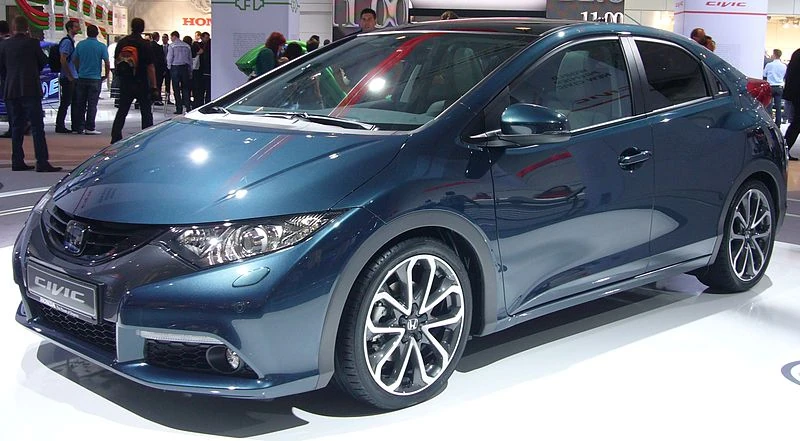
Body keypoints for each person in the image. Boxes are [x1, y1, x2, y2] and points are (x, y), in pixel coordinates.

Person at [0, 16, 62, 172]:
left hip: (11, 90)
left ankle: (17, 160)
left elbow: (2, 69)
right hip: (30, 89)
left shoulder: (4, 45)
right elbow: (43, 62)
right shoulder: (33, 43)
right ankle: (41, 161)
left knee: (16, 127)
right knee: (36, 127)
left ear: (13, 28)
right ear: (27, 28)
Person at [110, 17, 157, 144]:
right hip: (141, 81)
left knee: (122, 110)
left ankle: (115, 136)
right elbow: (150, 66)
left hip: (126, 81)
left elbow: (117, 61)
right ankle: (146, 137)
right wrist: (154, 86)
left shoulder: (122, 42)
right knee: (146, 111)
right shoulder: (144, 44)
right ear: (142, 28)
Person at [71, 24, 109, 135]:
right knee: (92, 104)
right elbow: (107, 62)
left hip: (82, 77)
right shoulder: (101, 46)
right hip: (95, 78)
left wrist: (78, 70)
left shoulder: (80, 45)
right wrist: (106, 75)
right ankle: (90, 127)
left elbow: (74, 59)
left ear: (87, 33)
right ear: (97, 33)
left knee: (80, 104)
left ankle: (79, 127)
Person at [55, 20, 78, 133]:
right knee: (66, 102)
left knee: (70, 101)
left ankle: (71, 125)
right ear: (70, 28)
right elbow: (63, 59)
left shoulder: (71, 41)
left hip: (71, 75)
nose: (78, 28)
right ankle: (60, 125)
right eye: (75, 27)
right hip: (68, 77)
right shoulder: (67, 42)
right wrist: (69, 75)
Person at [781, 47, 800, 160]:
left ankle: (783, 150)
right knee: (796, 124)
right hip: (797, 94)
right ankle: (783, 151)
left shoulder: (797, 54)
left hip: (794, 95)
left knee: (796, 124)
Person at [166, 31, 192, 114]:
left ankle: (179, 108)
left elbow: (169, 58)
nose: (171, 39)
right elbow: (190, 59)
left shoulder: (172, 46)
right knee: (186, 88)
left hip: (175, 68)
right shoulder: (186, 46)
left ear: (174, 36)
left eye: (171, 37)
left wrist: (169, 67)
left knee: (176, 89)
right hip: (184, 67)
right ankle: (188, 107)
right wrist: (190, 70)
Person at [764, 48, 787, 124]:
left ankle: (770, 123)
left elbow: (764, 75)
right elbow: (784, 76)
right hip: (779, 87)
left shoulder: (769, 65)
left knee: (769, 106)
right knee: (778, 107)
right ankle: (778, 123)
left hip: (770, 87)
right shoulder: (784, 66)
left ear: (774, 55)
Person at [0, 19, 11, 139]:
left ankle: (13, 128)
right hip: (15, 77)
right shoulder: (14, 41)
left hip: (5, 78)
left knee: (9, 104)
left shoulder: (2, 44)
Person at [149, 32, 166, 106]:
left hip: (149, 68)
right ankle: (157, 99)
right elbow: (162, 59)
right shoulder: (159, 47)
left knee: (149, 83)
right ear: (157, 37)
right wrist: (163, 69)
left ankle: (150, 98)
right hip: (158, 68)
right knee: (158, 84)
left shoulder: (148, 45)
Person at [199, 31, 211, 105]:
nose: (207, 39)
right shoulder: (199, 45)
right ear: (202, 37)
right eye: (206, 37)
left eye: (208, 38)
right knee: (201, 89)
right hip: (201, 70)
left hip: (207, 70)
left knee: (208, 89)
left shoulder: (210, 45)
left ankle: (207, 103)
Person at [161, 33, 172, 103]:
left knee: (168, 83)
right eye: (163, 37)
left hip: (168, 68)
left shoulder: (170, 47)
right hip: (161, 67)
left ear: (167, 39)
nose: (164, 39)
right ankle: (159, 98)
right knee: (160, 83)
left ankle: (168, 99)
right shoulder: (159, 47)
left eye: (165, 37)